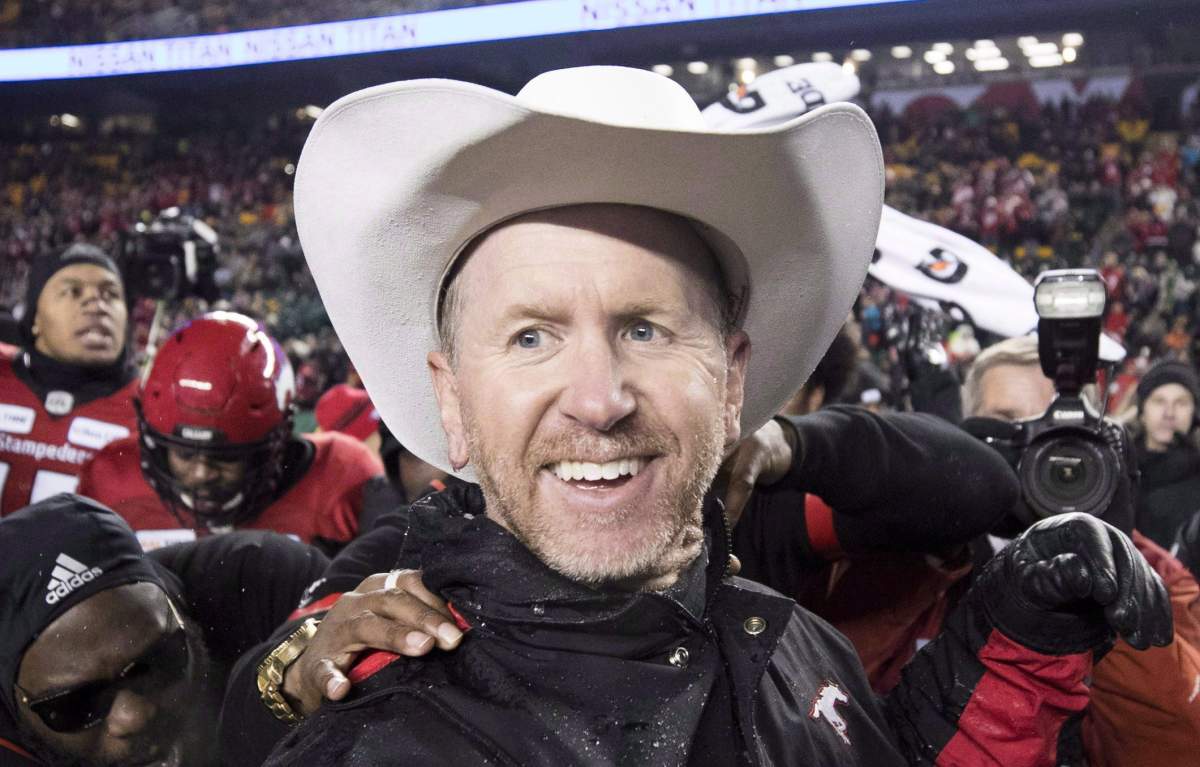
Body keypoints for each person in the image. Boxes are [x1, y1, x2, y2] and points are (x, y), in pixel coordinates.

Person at [253, 67, 1169, 766]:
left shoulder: (798, 644)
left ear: (732, 381)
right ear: (450, 398)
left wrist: (1014, 650)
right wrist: (293, 658)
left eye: (645, 328)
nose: (599, 399)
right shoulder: (378, 733)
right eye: (532, 337)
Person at [965, 335, 1200, 767]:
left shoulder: (1169, 583)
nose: (1035, 453)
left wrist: (1115, 584)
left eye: (1053, 433)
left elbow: (1179, 744)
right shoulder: (922, 562)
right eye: (1008, 424)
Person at [0, 494, 329, 767]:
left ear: (179, 605)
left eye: (159, 660)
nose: (134, 716)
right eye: (76, 706)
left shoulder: (261, 581)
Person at [76, 312, 383, 553]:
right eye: (183, 452)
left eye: (224, 458)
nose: (200, 474)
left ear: (277, 444)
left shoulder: (341, 478)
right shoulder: (110, 479)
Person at [0, 245, 137, 516]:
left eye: (110, 294)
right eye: (73, 291)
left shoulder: (152, 413)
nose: (97, 304)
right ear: (35, 318)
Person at [1131, 359, 1200, 546]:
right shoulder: (1117, 470)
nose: (1169, 413)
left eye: (1181, 403)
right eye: (1159, 401)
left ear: (1194, 414)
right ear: (1142, 411)